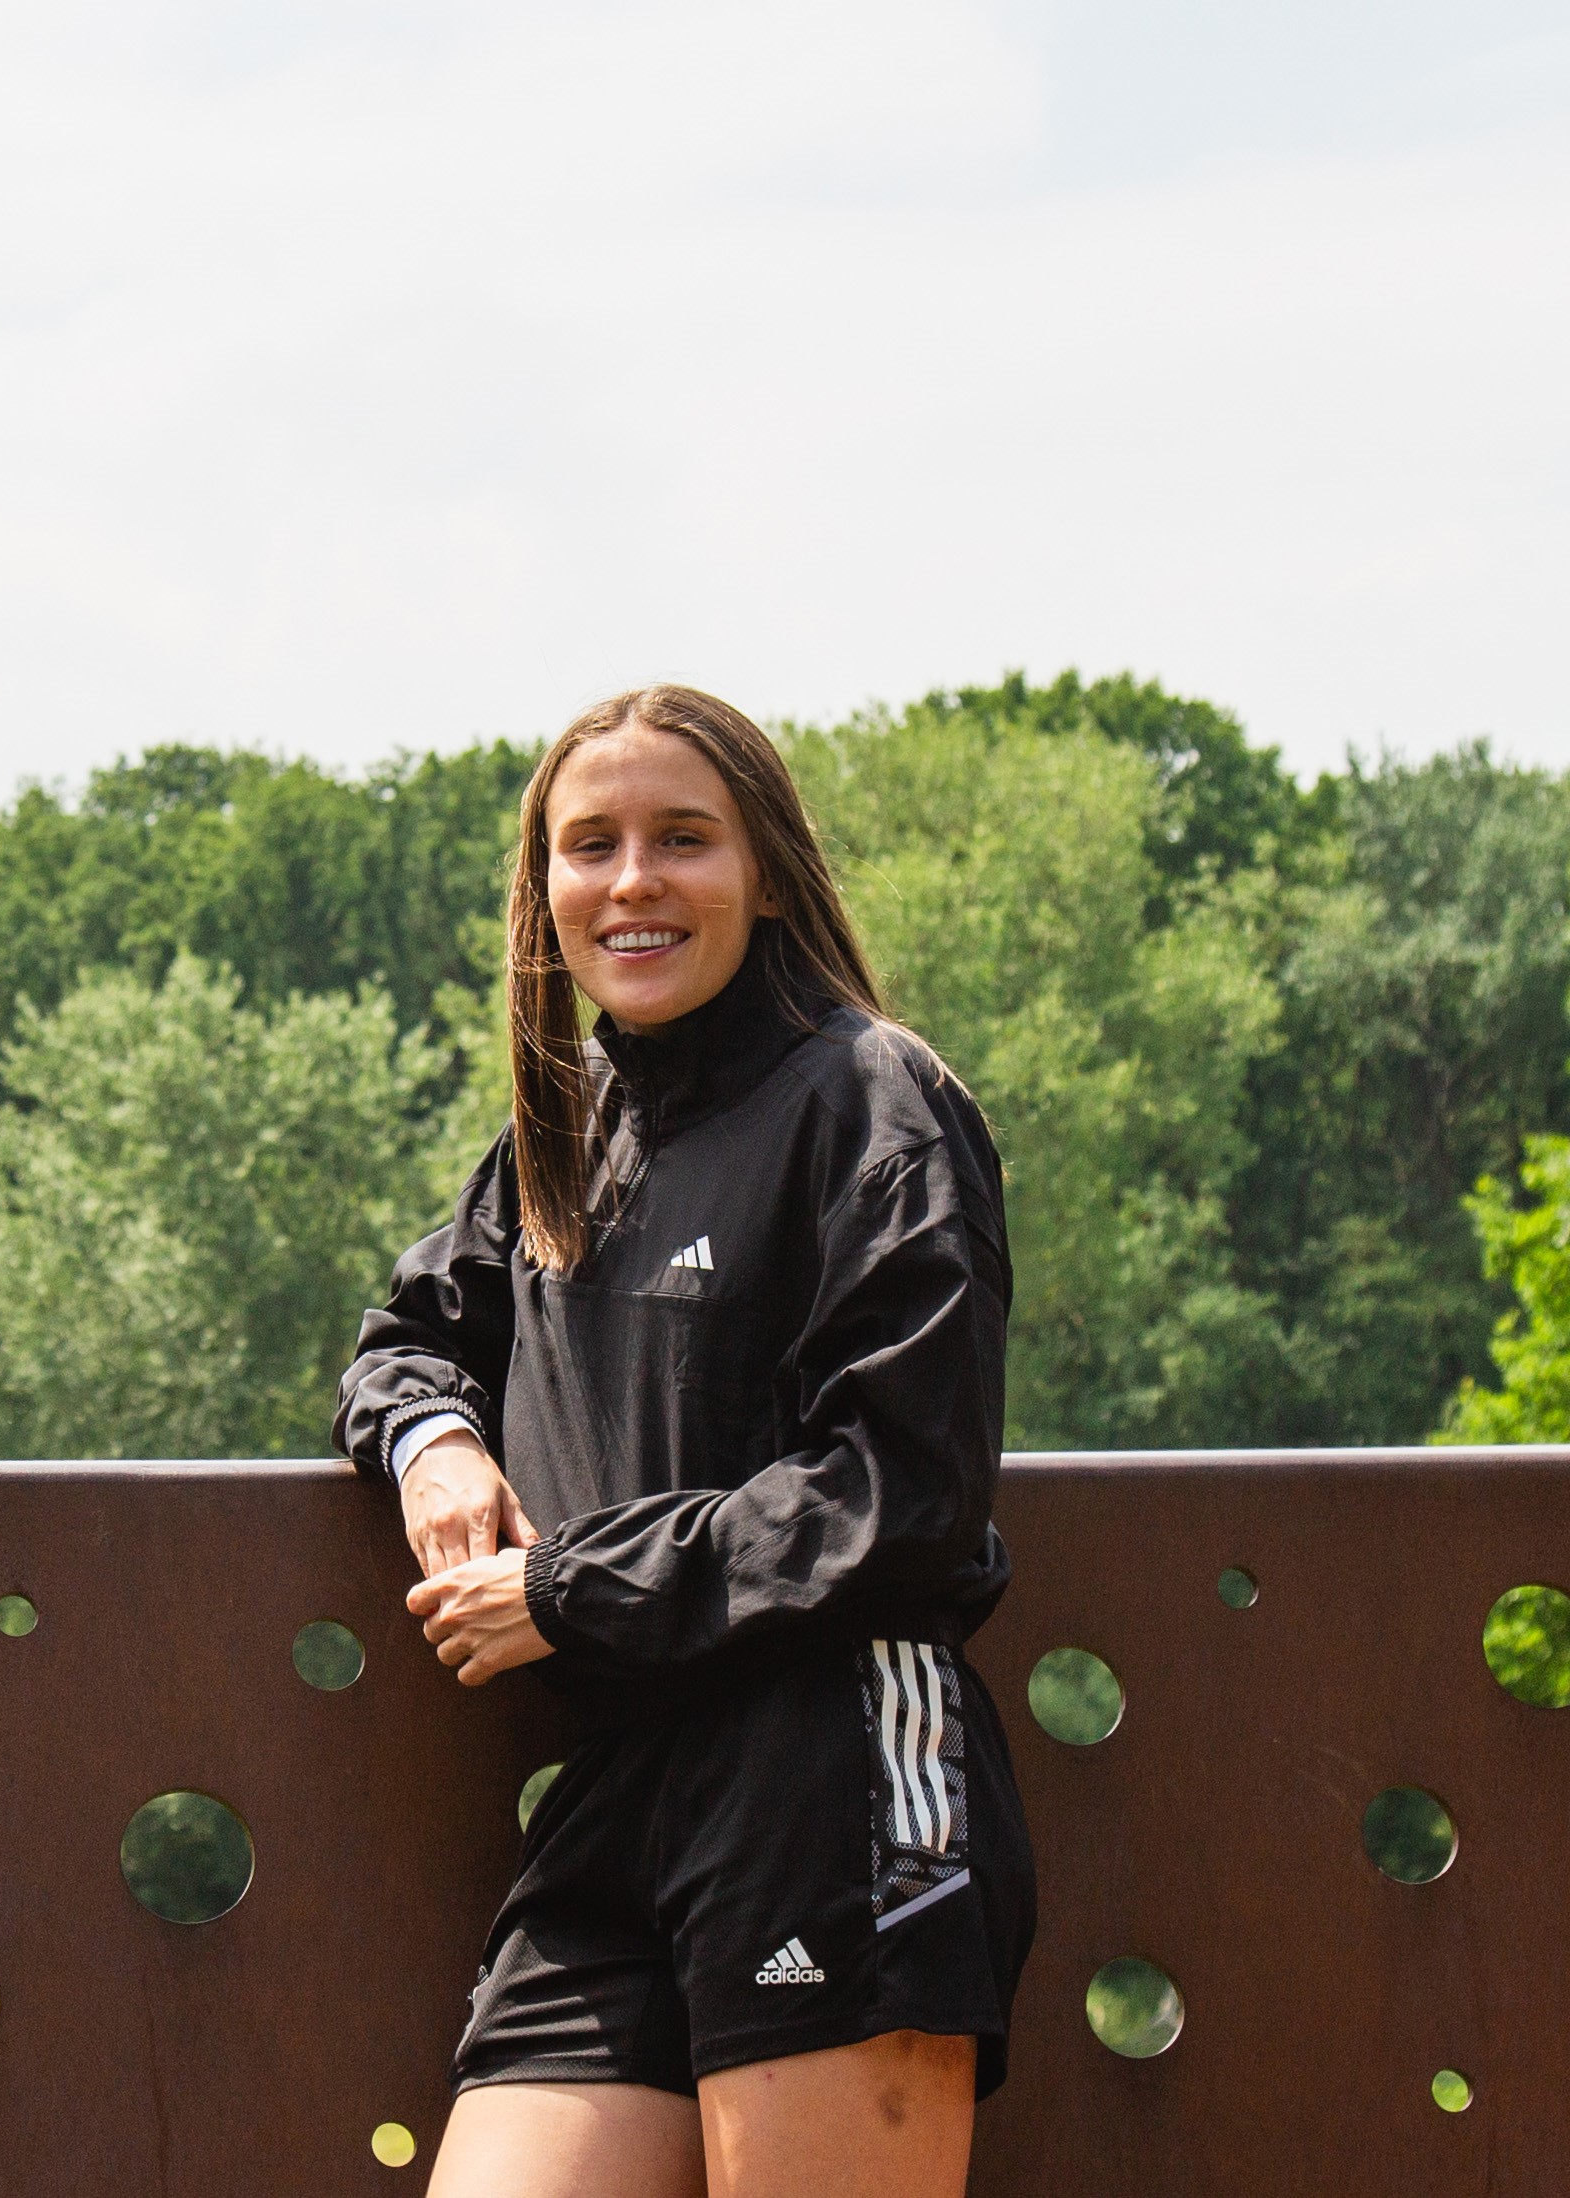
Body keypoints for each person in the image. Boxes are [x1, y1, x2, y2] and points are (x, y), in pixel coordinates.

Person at [335, 685, 1033, 2197]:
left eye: (681, 838)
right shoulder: (564, 1128)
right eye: (589, 845)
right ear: (545, 894)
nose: (631, 879)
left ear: (763, 868)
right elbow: (404, 1340)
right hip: (611, 1793)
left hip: (832, 1766)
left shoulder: (870, 1099)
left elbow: (896, 1491)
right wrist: (433, 1444)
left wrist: (565, 1591)